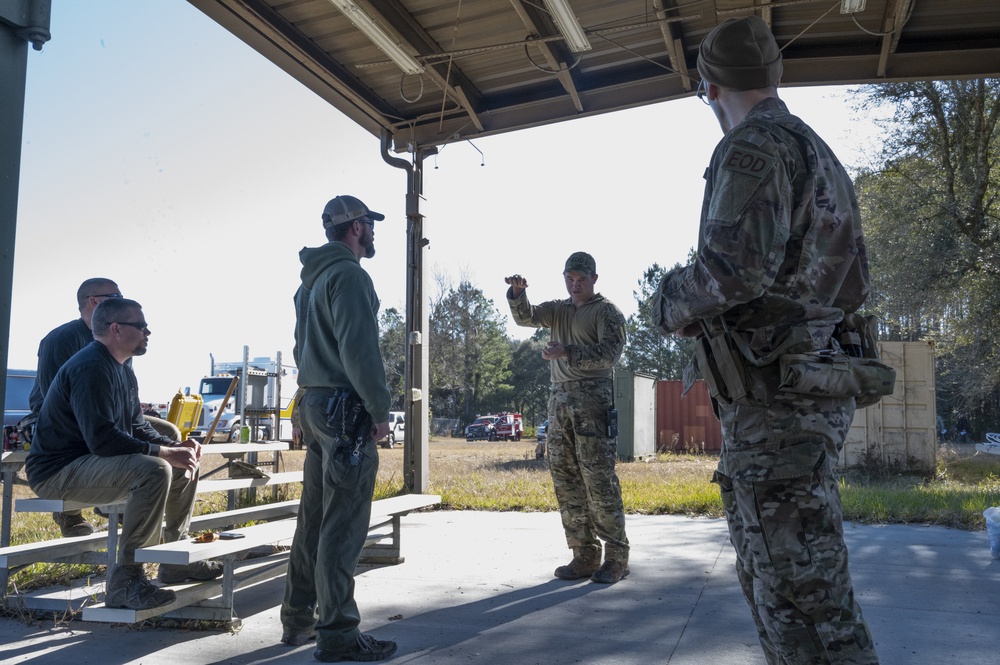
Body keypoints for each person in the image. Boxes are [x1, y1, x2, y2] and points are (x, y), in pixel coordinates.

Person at [651, 16, 879, 664]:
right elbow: (850, 280)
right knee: (795, 594)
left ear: (712, 86)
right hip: (810, 390)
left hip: (776, 405)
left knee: (803, 599)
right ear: (774, 76)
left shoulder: (754, 147)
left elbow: (731, 272)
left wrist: (668, 300)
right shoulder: (819, 154)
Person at [25, 298, 221, 610]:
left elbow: (137, 426)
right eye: (140, 326)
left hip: (90, 463)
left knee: (183, 465)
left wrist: (179, 448)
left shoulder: (122, 370)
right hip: (57, 471)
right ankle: (126, 580)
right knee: (154, 471)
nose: (147, 332)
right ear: (116, 329)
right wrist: (163, 453)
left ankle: (175, 559)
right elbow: (103, 439)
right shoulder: (90, 367)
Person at [280, 194, 397, 662]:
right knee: (342, 525)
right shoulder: (349, 275)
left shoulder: (309, 283)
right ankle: (339, 636)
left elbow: (298, 349)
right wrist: (380, 409)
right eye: (370, 223)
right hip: (345, 410)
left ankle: (297, 619)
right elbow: (360, 351)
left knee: (313, 519)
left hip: (313, 403)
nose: (373, 232)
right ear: (356, 226)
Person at [505, 252, 630, 584]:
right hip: (559, 400)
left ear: (594, 280)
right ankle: (585, 554)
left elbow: (610, 353)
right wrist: (518, 294)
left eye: (581, 281)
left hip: (593, 400)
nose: (575, 286)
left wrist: (568, 352)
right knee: (566, 478)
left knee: (598, 479)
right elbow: (527, 317)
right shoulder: (558, 310)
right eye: (570, 280)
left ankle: (617, 557)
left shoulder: (606, 312)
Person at [25, 278, 180, 537]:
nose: (121, 297)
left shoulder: (120, 348)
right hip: (62, 425)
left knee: (171, 435)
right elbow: (54, 395)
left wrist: (171, 448)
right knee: (153, 464)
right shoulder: (62, 339)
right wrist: (152, 450)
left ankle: (173, 545)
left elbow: (129, 413)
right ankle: (72, 513)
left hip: (102, 416)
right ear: (93, 301)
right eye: (115, 294)